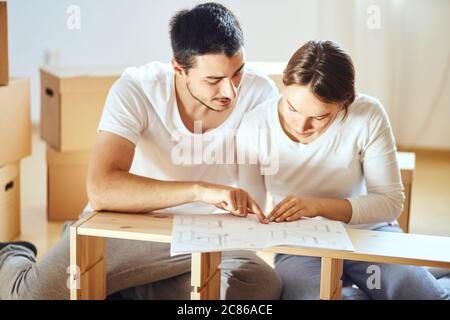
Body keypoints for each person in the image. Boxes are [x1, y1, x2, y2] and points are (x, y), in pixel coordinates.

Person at [0, 2, 282, 300]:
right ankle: (11, 254)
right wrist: (201, 190)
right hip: (131, 227)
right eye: (213, 80)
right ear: (178, 68)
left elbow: (263, 194)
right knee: (28, 296)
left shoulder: (260, 93)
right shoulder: (137, 88)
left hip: (209, 236)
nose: (230, 92)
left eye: (237, 73)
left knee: (260, 286)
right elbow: (102, 189)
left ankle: (115, 287)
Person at [236, 40, 450, 300]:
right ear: (284, 84)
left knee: (418, 294)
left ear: (345, 102)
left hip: (369, 232)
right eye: (293, 108)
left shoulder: (367, 114)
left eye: (320, 117)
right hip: (299, 244)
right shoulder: (254, 125)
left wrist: (317, 206)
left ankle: (427, 279)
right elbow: (253, 208)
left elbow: (391, 202)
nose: (301, 125)